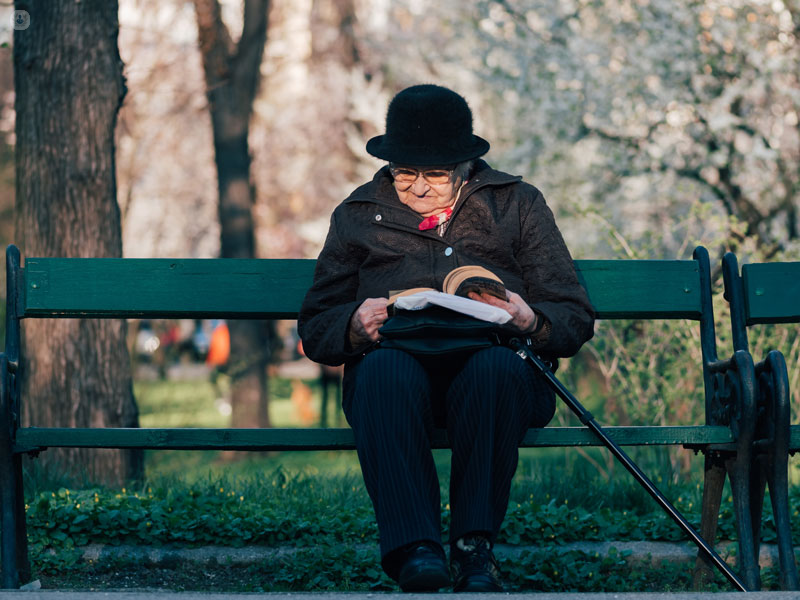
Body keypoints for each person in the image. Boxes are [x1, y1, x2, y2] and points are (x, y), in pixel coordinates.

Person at [298, 84, 595, 592]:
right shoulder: (357, 213)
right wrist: (352, 324)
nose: (416, 187)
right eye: (404, 172)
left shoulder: (516, 204)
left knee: (495, 372)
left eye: (433, 174)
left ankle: (473, 551)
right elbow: (317, 325)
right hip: (397, 369)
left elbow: (572, 314)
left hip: (493, 368)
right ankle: (416, 550)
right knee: (384, 374)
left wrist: (529, 320)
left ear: (463, 166)